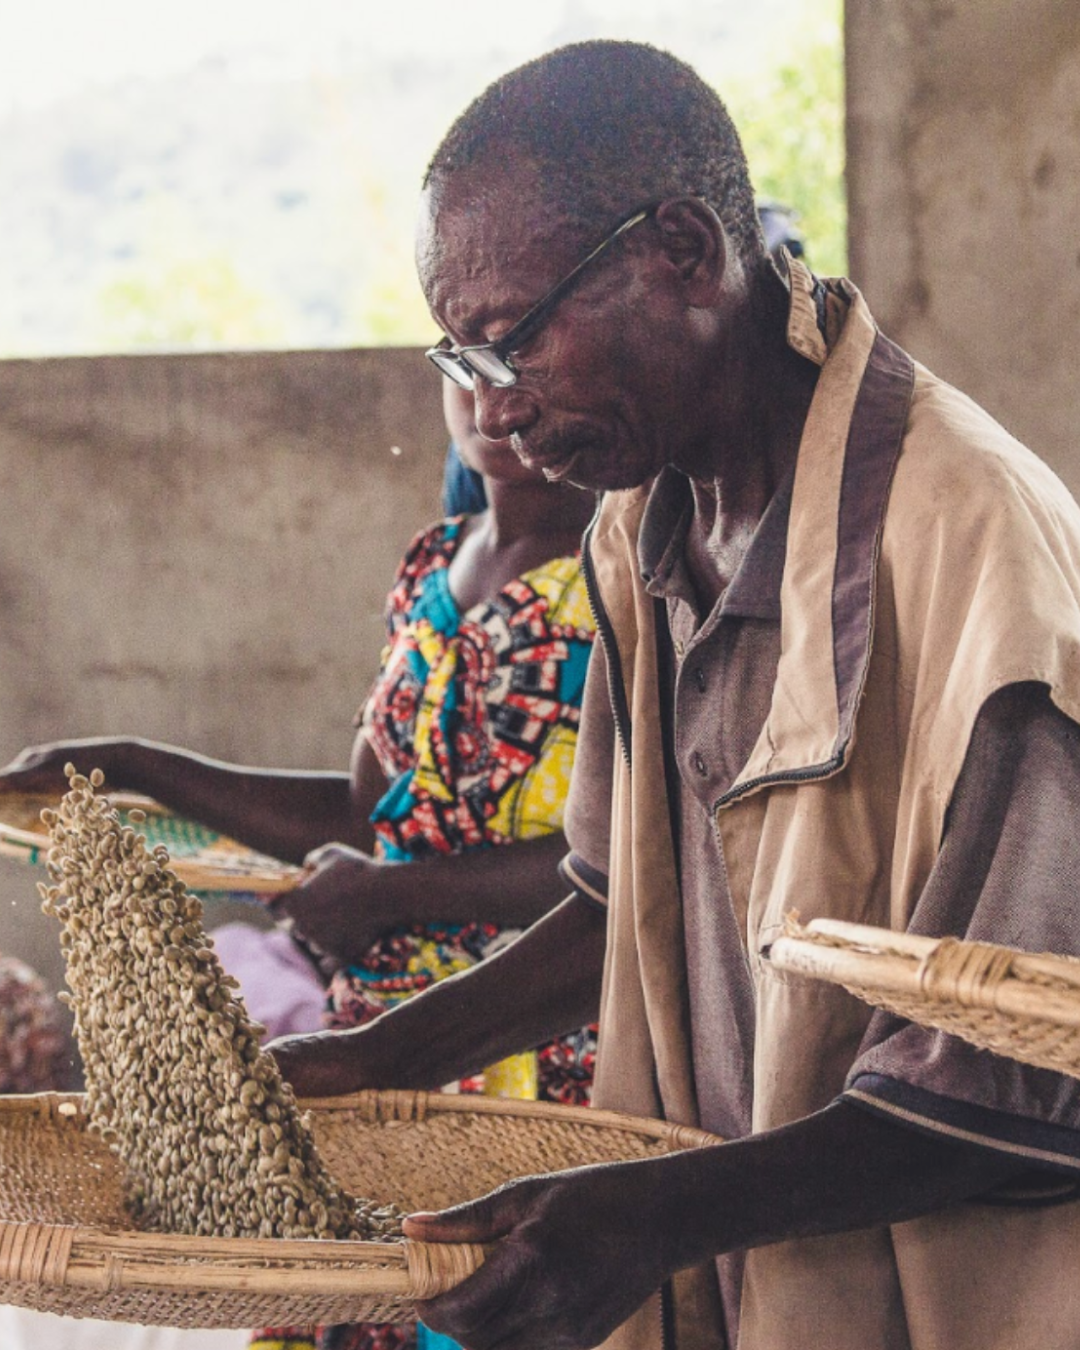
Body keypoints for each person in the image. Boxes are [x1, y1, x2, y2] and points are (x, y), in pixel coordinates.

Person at [263, 38, 1080, 1350]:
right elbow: (615, 902)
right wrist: (385, 1057)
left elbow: (1020, 1065)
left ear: (688, 256)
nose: (499, 412)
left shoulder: (974, 553)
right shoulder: (643, 528)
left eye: (516, 340)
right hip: (736, 1283)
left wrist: (650, 1215)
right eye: (464, 362)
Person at [0, 381, 598, 1346]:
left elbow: (627, 864)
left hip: (537, 1032)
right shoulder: (439, 567)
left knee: (494, 1296)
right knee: (367, 1293)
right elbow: (373, 812)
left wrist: (394, 894)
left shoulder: (627, 576)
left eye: (519, 350)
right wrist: (144, 767)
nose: (489, 391)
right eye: (462, 355)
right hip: (383, 1028)